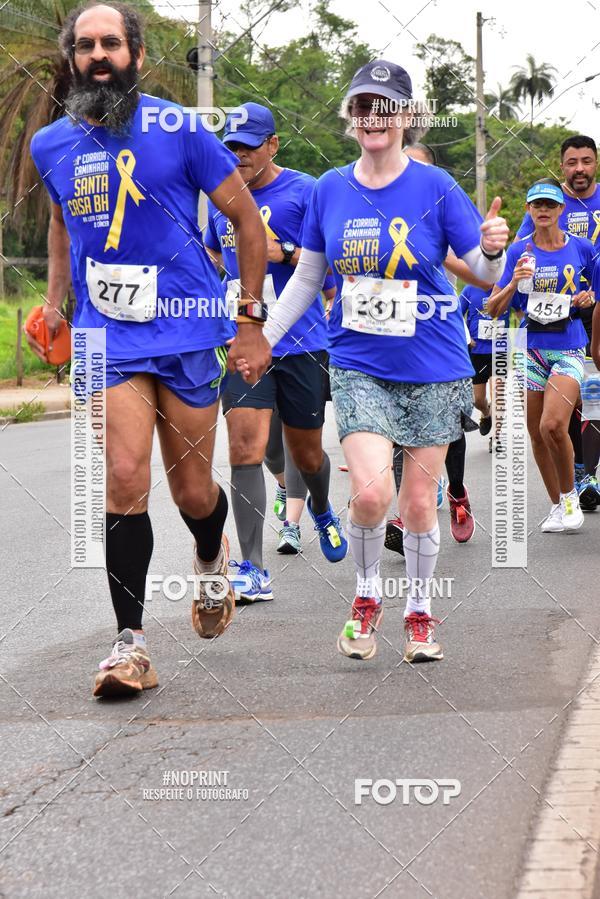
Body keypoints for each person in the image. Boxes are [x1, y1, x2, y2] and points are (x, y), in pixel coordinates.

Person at [27, 1, 271, 697]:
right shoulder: (53, 144)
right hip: (109, 335)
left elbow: (246, 222)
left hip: (190, 328)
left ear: (136, 53)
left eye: (111, 43)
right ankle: (130, 644)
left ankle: (209, 554)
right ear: (71, 58)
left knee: (193, 490)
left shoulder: (182, 129)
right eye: (85, 45)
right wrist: (54, 303)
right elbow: (60, 225)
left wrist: (250, 318)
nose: (97, 55)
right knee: (126, 474)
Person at [236, 60, 508, 662]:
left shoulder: (437, 189)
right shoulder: (329, 188)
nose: (374, 118)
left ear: (407, 117)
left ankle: (418, 613)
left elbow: (484, 273)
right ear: (351, 119)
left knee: (416, 504)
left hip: (436, 367)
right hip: (358, 363)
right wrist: (262, 339)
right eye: (362, 107)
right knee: (370, 493)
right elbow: (308, 278)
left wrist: (494, 250)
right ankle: (365, 597)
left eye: (385, 107)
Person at [205, 102, 347, 601]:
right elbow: (212, 255)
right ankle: (253, 567)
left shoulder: (306, 192)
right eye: (232, 147)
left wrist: (281, 253)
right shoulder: (220, 194)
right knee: (249, 448)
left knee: (306, 454)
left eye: (249, 145)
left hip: (301, 342)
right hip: (242, 342)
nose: (239, 154)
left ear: (273, 145)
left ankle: (324, 508)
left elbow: (330, 271)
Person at [385, 140, 494, 553]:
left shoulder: (438, 220)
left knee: (448, 426)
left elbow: (484, 275)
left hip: (437, 339)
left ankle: (458, 493)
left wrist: (482, 254)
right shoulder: (376, 212)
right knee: (397, 430)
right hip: (392, 341)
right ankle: (404, 513)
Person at [488, 178, 595, 533]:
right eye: (538, 205)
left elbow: (594, 291)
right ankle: (556, 506)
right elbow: (492, 308)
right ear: (529, 210)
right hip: (530, 349)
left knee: (553, 424)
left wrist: (588, 299)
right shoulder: (519, 252)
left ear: (561, 210)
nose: (545, 211)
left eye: (551, 205)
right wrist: (512, 282)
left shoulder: (581, 248)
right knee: (536, 432)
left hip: (569, 347)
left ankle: (570, 498)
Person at [516, 136, 600, 508]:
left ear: (595, 163)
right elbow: (522, 254)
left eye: (586, 161)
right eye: (571, 162)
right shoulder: (545, 204)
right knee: (566, 403)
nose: (579, 168)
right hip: (553, 311)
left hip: (594, 298)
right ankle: (581, 471)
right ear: (562, 166)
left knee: (586, 396)